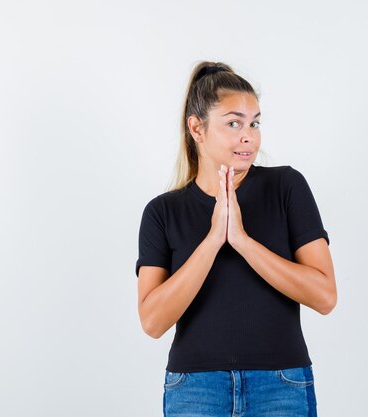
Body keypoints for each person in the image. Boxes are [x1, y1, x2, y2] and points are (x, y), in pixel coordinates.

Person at [135, 61, 337, 417]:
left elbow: (324, 296)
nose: (249, 136)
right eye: (233, 123)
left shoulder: (286, 188)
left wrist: (242, 241)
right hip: (195, 389)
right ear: (197, 128)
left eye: (254, 123)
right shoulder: (163, 212)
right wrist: (213, 239)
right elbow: (152, 322)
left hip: (281, 384)